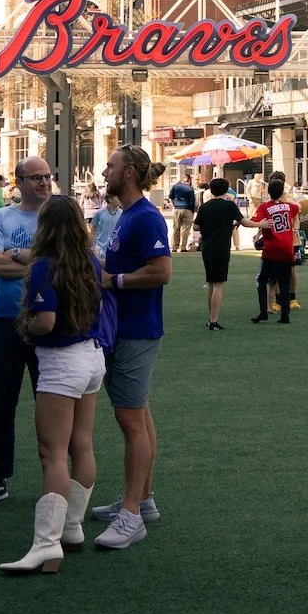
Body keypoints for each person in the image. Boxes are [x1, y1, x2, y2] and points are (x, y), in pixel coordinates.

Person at [0, 195, 113, 573]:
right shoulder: (90, 260)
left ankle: (47, 544)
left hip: (62, 361)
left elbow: (44, 321)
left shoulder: (45, 266)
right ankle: (72, 526)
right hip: (92, 355)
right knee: (81, 442)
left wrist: (25, 326)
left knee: (52, 452)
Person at [82, 145, 171, 550]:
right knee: (139, 413)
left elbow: (161, 271)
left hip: (137, 329)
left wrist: (111, 281)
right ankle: (143, 499)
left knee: (129, 419)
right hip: (123, 327)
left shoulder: (147, 217)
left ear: (131, 173)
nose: (105, 171)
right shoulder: (127, 215)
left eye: (112, 166)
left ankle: (132, 514)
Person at [0, 156, 53, 509]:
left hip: (48, 322)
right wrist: (40, 264)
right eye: (35, 177)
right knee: (0, 405)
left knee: (50, 406)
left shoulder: (58, 216)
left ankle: (53, 478)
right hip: (3, 320)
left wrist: (19, 254)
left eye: (47, 176)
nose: (43, 183)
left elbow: (65, 263)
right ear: (17, 183)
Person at [193, 177, 243, 330]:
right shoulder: (229, 206)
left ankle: (211, 317)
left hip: (207, 248)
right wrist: (261, 224)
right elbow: (243, 221)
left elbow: (195, 227)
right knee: (219, 284)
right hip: (221, 248)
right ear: (226, 190)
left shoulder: (204, 206)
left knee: (211, 283)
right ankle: (214, 321)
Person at [248, 175, 298, 325]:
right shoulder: (289, 206)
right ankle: (285, 315)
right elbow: (297, 208)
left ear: (268, 191)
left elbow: (255, 221)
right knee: (284, 281)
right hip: (287, 248)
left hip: (271, 248)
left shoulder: (265, 207)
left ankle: (264, 311)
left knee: (262, 279)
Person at [167, 174, 197, 252]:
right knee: (185, 229)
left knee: (176, 228)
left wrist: (174, 205)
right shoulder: (190, 189)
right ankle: (183, 247)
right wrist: (193, 211)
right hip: (187, 209)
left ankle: (174, 247)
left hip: (177, 209)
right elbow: (192, 202)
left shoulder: (175, 187)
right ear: (189, 180)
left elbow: (170, 197)